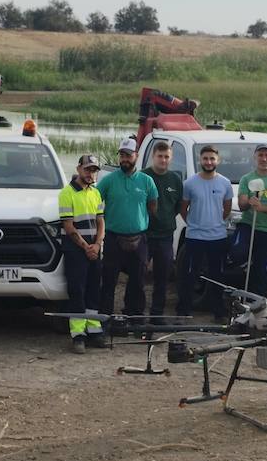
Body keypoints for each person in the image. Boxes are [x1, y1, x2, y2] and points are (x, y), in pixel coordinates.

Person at [98, 137, 158, 316]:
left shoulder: (147, 181)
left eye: (128, 155)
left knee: (138, 282)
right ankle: (104, 319)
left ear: (136, 156)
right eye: (122, 155)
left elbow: (153, 205)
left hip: (139, 239)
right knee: (109, 281)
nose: (125, 159)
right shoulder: (108, 181)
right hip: (113, 238)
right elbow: (93, 201)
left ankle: (134, 318)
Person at [58, 154, 110, 353]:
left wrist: (97, 244)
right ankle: (78, 335)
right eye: (87, 169)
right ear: (79, 169)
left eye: (94, 170)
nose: (90, 173)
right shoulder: (66, 193)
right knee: (77, 290)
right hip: (75, 251)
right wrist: (86, 247)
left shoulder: (96, 193)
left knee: (93, 289)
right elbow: (69, 227)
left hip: (94, 250)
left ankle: (94, 329)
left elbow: (101, 221)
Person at [177, 144, 234, 318]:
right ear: (200, 160)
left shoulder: (225, 183)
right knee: (189, 275)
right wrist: (195, 223)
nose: (208, 162)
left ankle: (218, 310)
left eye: (212, 159)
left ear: (218, 160)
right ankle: (184, 310)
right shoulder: (189, 183)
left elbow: (227, 209)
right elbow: (183, 209)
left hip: (218, 237)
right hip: (195, 237)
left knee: (217, 276)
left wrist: (214, 222)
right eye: (205, 158)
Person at [233, 144, 267, 295]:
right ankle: (247, 264)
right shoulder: (247, 178)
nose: (264, 159)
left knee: (263, 271)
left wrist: (260, 207)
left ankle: (257, 304)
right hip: (248, 224)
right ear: (255, 157)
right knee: (237, 251)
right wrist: (248, 202)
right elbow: (242, 205)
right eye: (261, 155)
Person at [143, 140, 183, 320]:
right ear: (153, 157)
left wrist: (165, 219)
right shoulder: (143, 177)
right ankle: (134, 313)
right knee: (139, 276)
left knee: (162, 278)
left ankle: (156, 315)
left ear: (171, 158)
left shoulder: (175, 179)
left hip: (166, 236)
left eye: (167, 157)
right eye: (160, 156)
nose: (163, 160)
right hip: (144, 235)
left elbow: (177, 206)